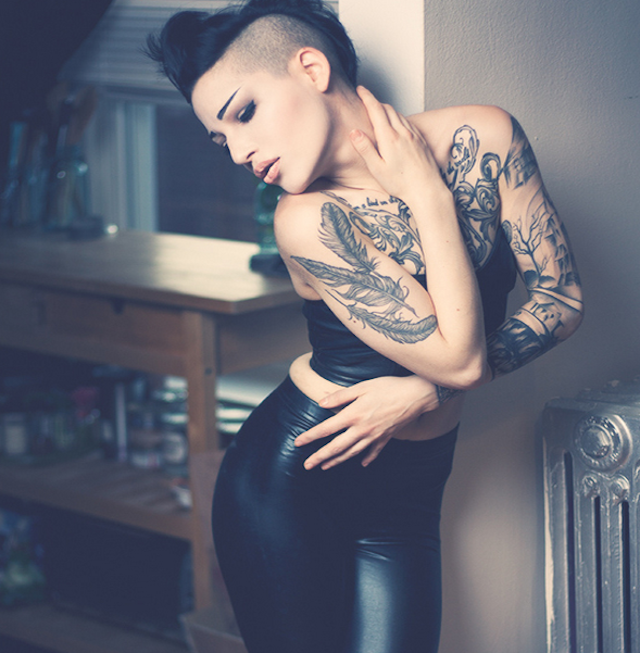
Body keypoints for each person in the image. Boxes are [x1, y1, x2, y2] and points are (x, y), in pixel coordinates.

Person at [147, 1, 583, 651]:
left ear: (312, 68)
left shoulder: (485, 136)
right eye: (220, 139)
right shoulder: (306, 220)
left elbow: (561, 299)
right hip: (293, 486)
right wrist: (428, 195)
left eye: (244, 113)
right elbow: (461, 361)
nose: (237, 151)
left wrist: (423, 392)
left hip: (411, 494)